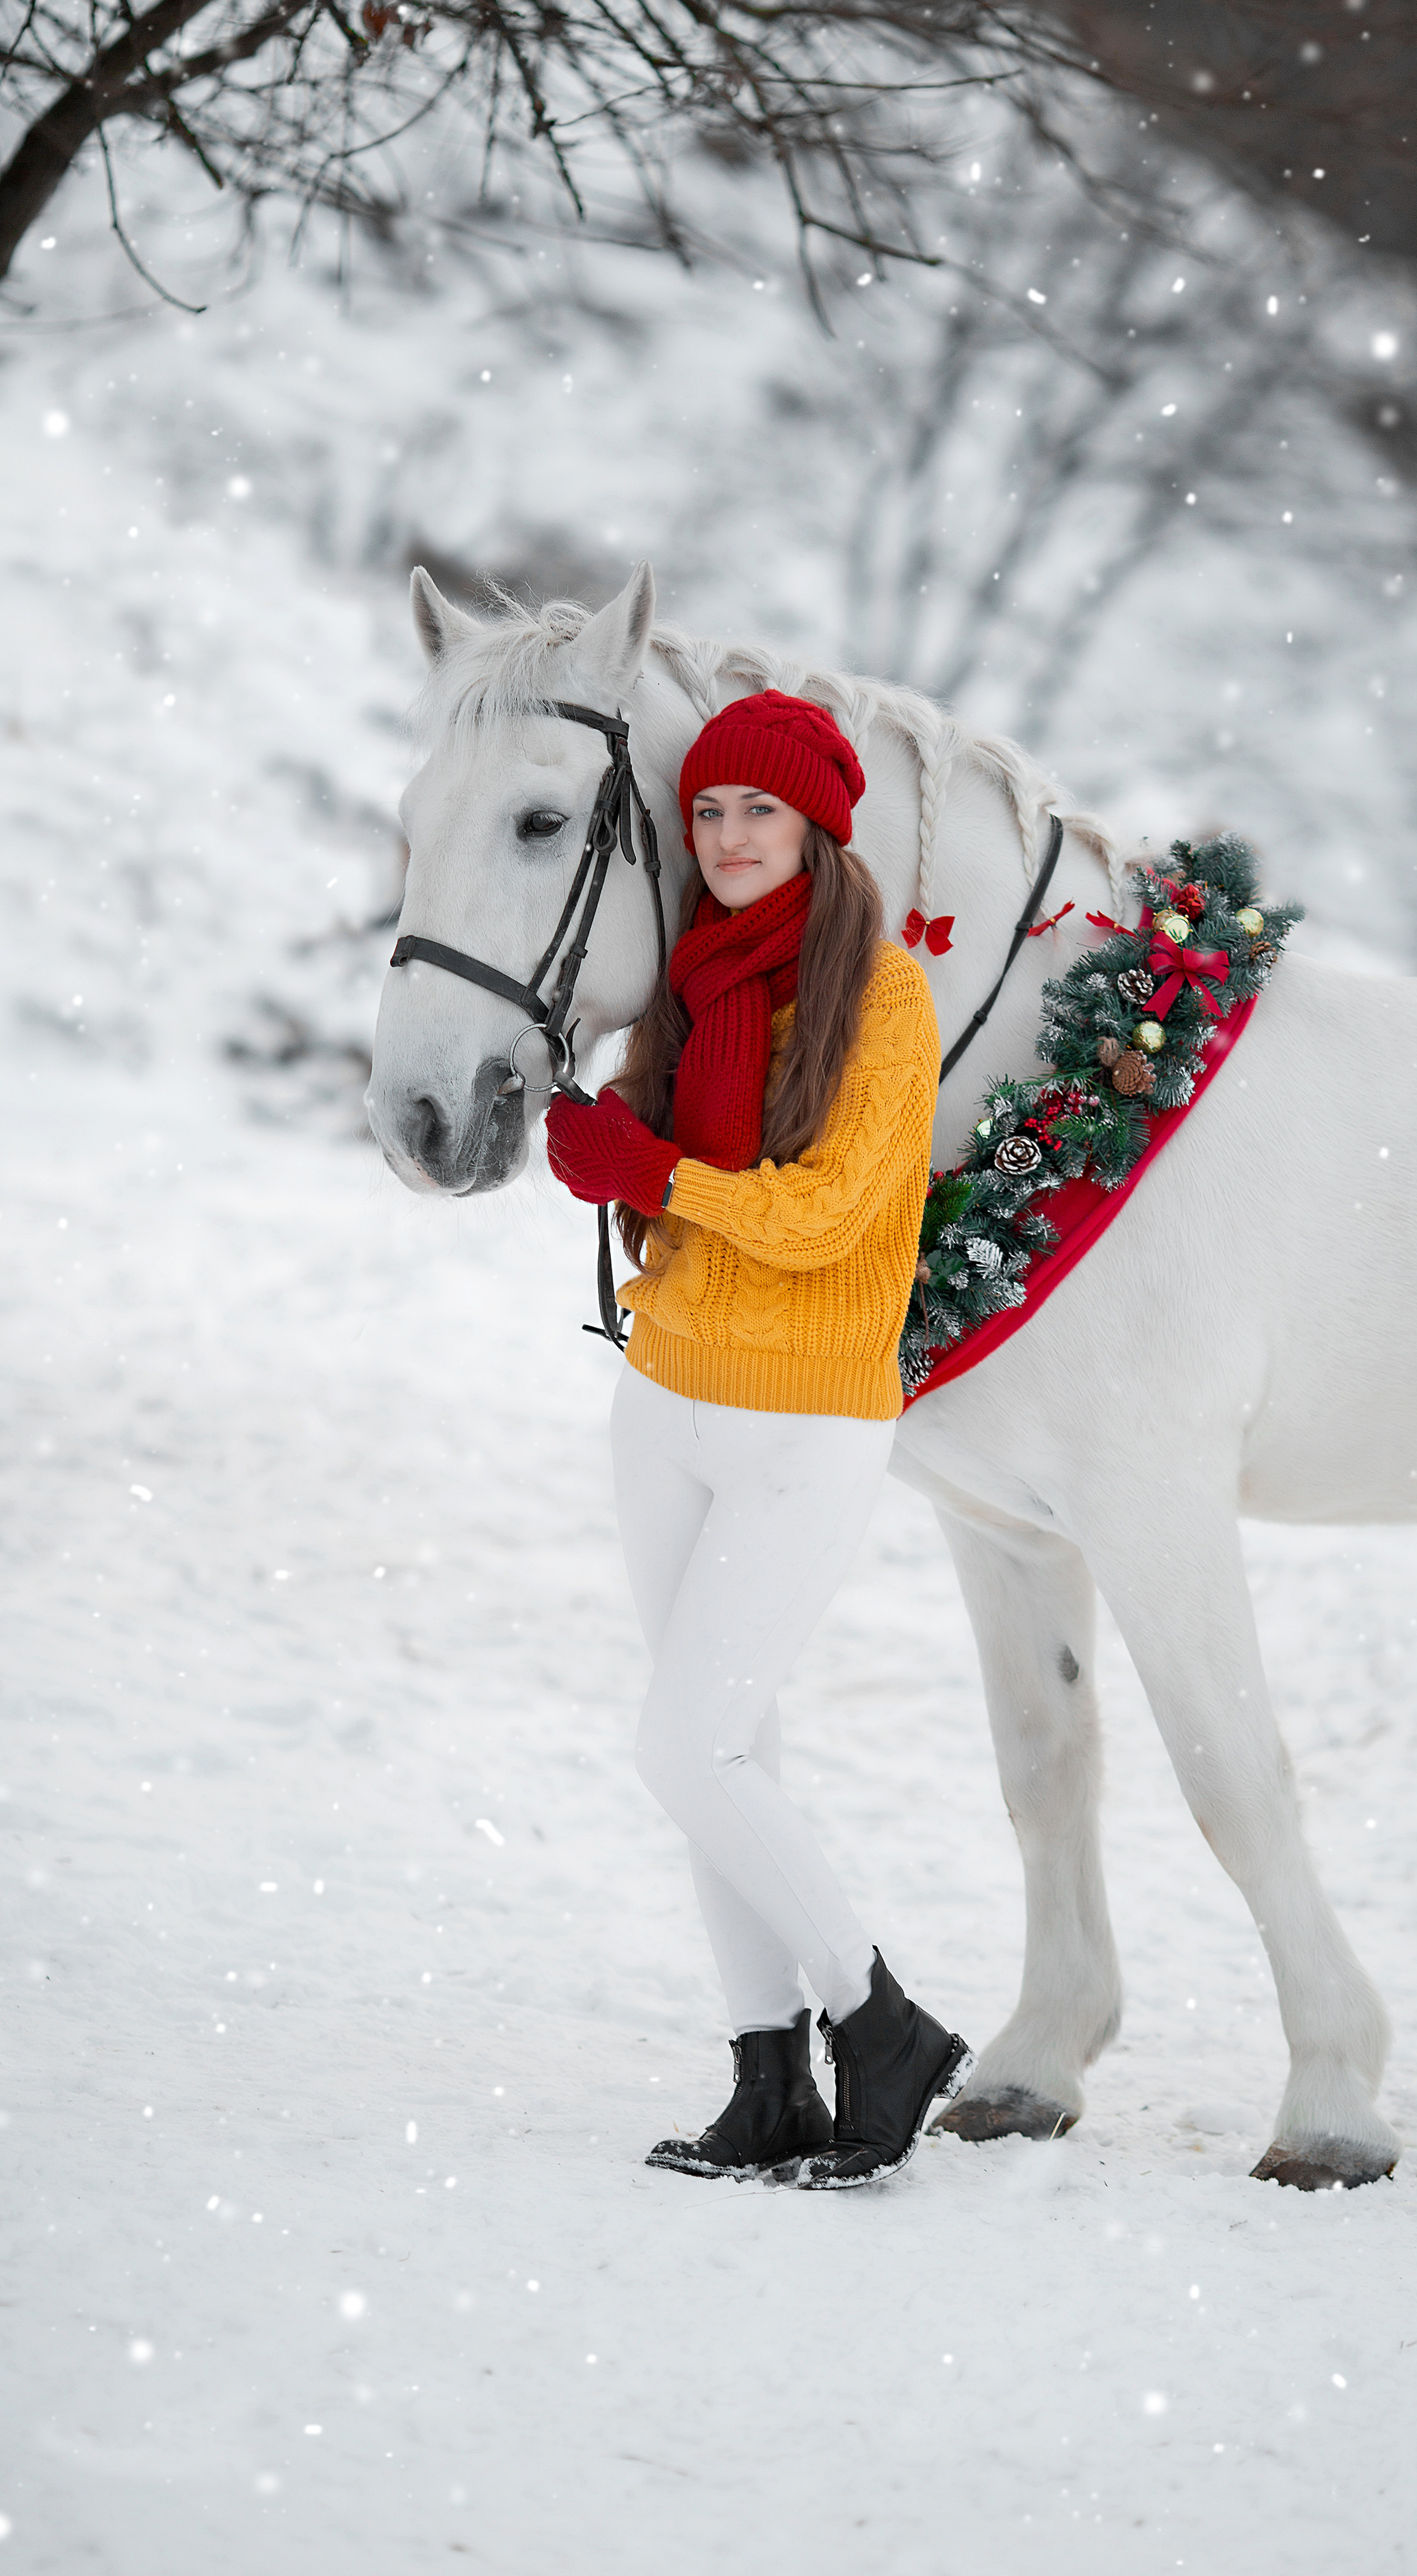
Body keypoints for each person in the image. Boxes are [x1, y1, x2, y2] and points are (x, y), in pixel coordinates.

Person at [544, 689, 972, 2188]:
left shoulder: (884, 998)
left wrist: (657, 1162)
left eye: (760, 813)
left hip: (804, 1421)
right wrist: (614, 1163)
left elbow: (824, 1216)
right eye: (709, 811)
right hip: (661, 1402)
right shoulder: (689, 979)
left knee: (687, 1746)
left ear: (817, 827)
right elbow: (685, 1190)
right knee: (731, 1750)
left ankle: (884, 2022)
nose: (727, 839)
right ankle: (766, 2081)